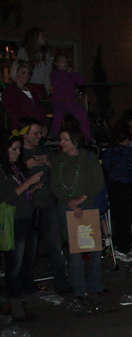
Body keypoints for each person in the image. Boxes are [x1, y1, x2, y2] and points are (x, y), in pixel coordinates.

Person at [51, 128, 106, 316]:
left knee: (94, 248)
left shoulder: (88, 157)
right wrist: (70, 204)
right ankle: (79, 290)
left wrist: (82, 199)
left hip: (88, 204)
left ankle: (95, 284)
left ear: (75, 141)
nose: (62, 143)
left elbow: (98, 182)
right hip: (67, 207)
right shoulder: (59, 160)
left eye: (66, 140)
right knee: (75, 249)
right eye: (61, 140)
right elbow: (55, 185)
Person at [18, 118, 70, 294]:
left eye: (40, 133)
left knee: (55, 247)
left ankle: (62, 283)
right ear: (24, 134)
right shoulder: (17, 154)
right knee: (28, 252)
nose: (39, 136)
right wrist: (26, 166)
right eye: (35, 133)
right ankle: (26, 287)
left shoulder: (43, 150)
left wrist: (50, 163)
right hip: (27, 209)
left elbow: (61, 171)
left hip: (48, 205)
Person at [0, 132, 45, 320]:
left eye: (18, 149)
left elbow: (20, 193)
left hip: (27, 218)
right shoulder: (2, 171)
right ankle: (16, 307)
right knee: (14, 265)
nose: (18, 153)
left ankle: (30, 298)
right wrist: (29, 182)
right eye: (14, 149)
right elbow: (8, 196)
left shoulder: (14, 169)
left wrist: (32, 188)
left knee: (27, 261)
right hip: (15, 222)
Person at [102, 131, 132, 262]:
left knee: (118, 218)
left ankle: (119, 246)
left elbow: (105, 167)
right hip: (126, 188)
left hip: (113, 187)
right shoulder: (127, 152)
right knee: (126, 219)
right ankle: (122, 248)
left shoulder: (108, 152)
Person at [50, 54, 92, 141]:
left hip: (71, 101)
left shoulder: (70, 74)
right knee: (58, 115)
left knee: (83, 114)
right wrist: (66, 73)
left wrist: (76, 73)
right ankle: (55, 135)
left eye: (66, 61)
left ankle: (87, 137)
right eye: (62, 61)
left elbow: (81, 82)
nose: (65, 63)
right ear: (56, 63)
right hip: (59, 101)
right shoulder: (54, 74)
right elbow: (59, 82)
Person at [2, 60, 48, 129]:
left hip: (37, 128)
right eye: (23, 73)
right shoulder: (10, 92)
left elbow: (41, 111)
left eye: (28, 73)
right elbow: (13, 114)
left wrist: (44, 125)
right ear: (16, 73)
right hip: (22, 130)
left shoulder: (33, 90)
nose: (27, 76)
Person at [17, 28, 52, 96]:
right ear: (35, 37)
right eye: (42, 36)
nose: (45, 38)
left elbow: (48, 74)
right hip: (27, 87)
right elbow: (21, 72)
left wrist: (46, 90)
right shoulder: (24, 52)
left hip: (41, 88)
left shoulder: (46, 54)